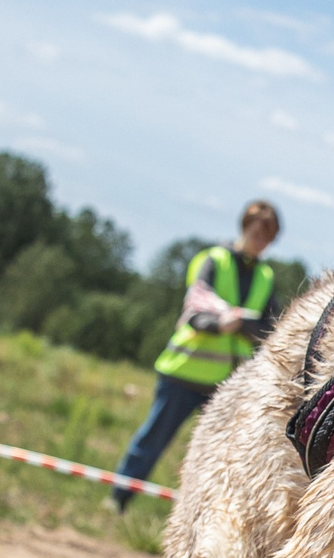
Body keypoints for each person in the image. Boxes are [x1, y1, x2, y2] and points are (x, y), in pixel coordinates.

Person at [111, 198, 287, 512]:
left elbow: (271, 328)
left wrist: (245, 327)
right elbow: (194, 310)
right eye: (258, 233)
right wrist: (221, 325)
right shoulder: (213, 260)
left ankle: (202, 514)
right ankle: (118, 499)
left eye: (268, 237)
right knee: (153, 440)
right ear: (245, 227)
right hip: (183, 372)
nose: (261, 241)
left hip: (224, 385)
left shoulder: (265, 277)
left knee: (217, 455)